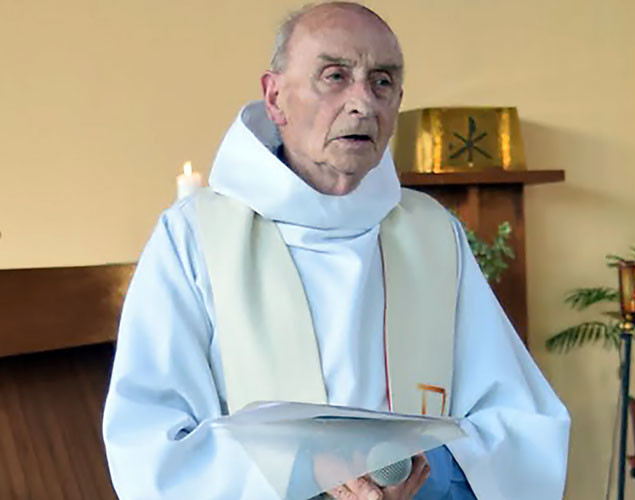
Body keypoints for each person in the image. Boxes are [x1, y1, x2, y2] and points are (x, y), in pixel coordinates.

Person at [102, 3, 570, 499]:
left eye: (382, 82)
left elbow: (519, 422)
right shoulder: (194, 237)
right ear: (275, 97)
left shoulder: (431, 233)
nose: (363, 103)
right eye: (334, 76)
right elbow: (150, 440)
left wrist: (411, 469)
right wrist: (311, 473)